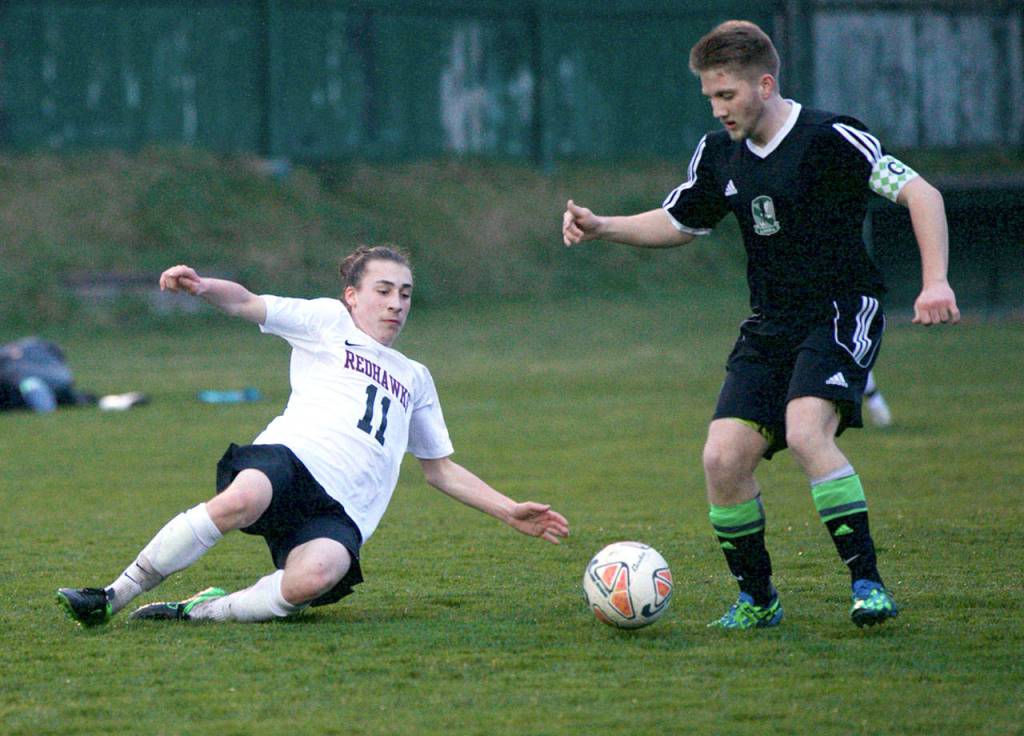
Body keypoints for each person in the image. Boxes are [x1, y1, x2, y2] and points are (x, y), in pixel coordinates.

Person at [562, 20, 959, 629]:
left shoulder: (832, 136)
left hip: (840, 309)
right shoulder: (719, 153)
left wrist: (935, 282)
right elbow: (679, 222)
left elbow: (921, 194)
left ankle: (868, 585)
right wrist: (603, 226)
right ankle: (758, 601)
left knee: (806, 431)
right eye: (710, 98)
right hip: (770, 323)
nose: (718, 109)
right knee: (722, 458)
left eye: (727, 95)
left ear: (765, 84)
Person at [58, 245, 569, 626]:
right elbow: (249, 303)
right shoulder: (327, 321)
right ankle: (110, 596)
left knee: (315, 577)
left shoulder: (415, 377)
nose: (396, 304)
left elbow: (439, 470)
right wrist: (203, 287)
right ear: (352, 296)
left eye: (405, 294)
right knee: (246, 495)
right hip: (293, 462)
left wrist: (509, 509)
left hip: (342, 510)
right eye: (384, 291)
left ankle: (199, 613)